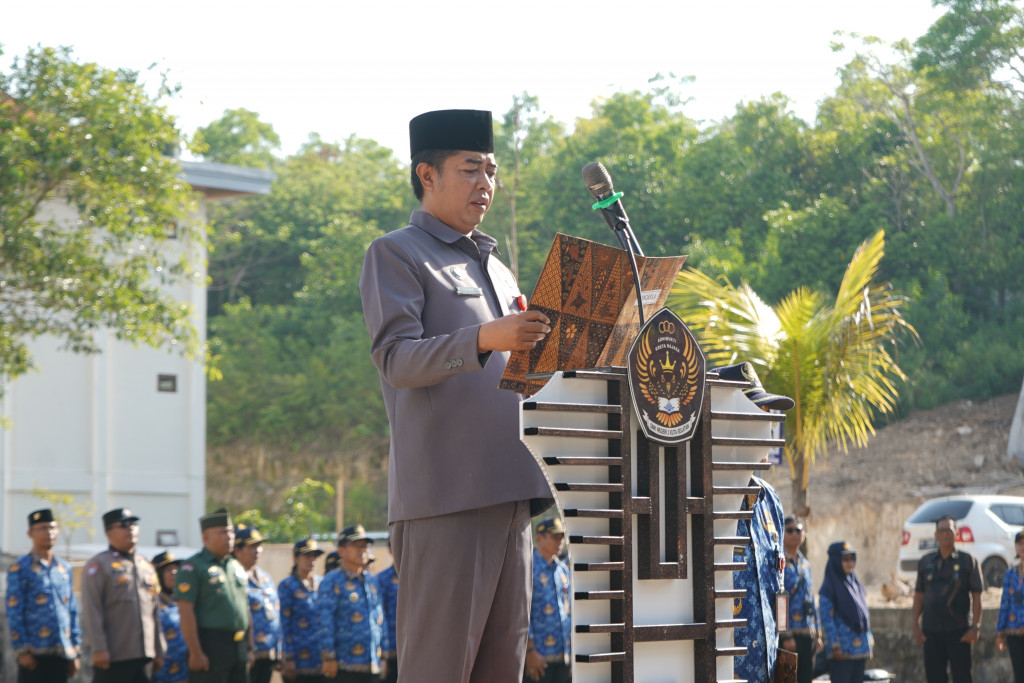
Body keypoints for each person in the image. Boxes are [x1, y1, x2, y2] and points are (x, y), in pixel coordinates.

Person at [358, 108, 553, 683]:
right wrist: (486, 337)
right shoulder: (397, 254)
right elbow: (396, 359)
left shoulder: (500, 270)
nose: (485, 185)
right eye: (471, 170)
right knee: (439, 669)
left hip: (512, 491)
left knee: (503, 670)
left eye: (491, 171)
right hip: (446, 498)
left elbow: (517, 375)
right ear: (427, 174)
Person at [81, 507, 164, 682]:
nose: (130, 528)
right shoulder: (99, 565)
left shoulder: (146, 566)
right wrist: (98, 648)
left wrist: (159, 649)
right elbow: (92, 609)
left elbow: (154, 611)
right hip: (114, 655)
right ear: (109, 532)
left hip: (144, 655)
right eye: (124, 525)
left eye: (134, 523)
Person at [5, 508, 81, 682]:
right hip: (34, 655)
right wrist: (22, 650)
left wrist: (76, 650)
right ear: (30, 533)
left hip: (62, 653)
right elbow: (14, 611)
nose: (49, 532)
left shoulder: (64, 568)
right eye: (43, 528)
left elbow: (71, 610)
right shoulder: (20, 568)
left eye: (52, 528)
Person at [175, 508, 250, 683]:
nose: (229, 537)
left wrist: (250, 646)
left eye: (231, 532)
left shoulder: (235, 566)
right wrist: (195, 652)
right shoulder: (193, 567)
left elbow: (244, 606)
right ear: (205, 537)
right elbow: (186, 612)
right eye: (222, 532)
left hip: (239, 644)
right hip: (211, 645)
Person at [913, 515, 984, 683]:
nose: (945, 534)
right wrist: (916, 626)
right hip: (931, 632)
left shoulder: (967, 561)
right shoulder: (926, 562)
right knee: (935, 678)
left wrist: (975, 627)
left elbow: (977, 596)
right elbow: (918, 596)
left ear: (956, 533)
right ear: (936, 535)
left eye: (949, 530)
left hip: (959, 632)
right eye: (941, 531)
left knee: (962, 677)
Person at [319, 524, 384, 682]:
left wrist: (384, 656)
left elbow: (380, 619)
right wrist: (328, 657)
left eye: (365, 546)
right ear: (341, 550)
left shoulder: (372, 581)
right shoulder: (332, 580)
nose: (362, 550)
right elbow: (325, 621)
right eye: (356, 546)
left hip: (372, 663)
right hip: (344, 666)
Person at [524, 517, 571, 683]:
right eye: (554, 536)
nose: (560, 541)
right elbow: (522, 613)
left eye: (562, 536)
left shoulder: (563, 570)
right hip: (538, 658)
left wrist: (573, 652)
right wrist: (529, 652)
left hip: (563, 658)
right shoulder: (528, 567)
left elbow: (570, 611)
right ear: (540, 537)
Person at [233, 525, 281, 683]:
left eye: (259, 546)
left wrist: (278, 649)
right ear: (237, 550)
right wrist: (247, 648)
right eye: (252, 547)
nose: (257, 551)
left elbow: (276, 613)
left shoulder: (265, 577)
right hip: (248, 653)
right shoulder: (233, 577)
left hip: (268, 653)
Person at [818, 542, 872, 683]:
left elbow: (863, 615)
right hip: (842, 652)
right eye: (845, 559)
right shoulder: (829, 587)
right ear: (836, 561)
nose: (850, 563)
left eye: (852, 558)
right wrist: (835, 645)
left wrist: (868, 638)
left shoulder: (855, 584)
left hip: (860, 651)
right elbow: (826, 618)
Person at [279, 538, 325, 682]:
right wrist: (288, 657)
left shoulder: (323, 583)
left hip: (321, 658)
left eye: (315, 556)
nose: (311, 560)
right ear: (295, 558)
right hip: (298, 658)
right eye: (307, 555)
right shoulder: (287, 585)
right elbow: (283, 623)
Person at [782, 516, 821, 683]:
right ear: (782, 533)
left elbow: (811, 599)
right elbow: (779, 599)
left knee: (806, 679)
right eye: (789, 530)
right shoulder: (779, 561)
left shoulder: (805, 564)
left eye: (798, 530)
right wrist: (785, 635)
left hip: (807, 633)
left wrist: (818, 634)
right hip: (791, 635)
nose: (794, 534)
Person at [151, 552, 188, 683]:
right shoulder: (152, 603)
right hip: (163, 671)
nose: (174, 573)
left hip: (186, 669)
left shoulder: (184, 600)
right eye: (168, 570)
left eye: (175, 569)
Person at [997, 530, 1024, 682]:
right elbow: (1005, 602)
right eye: (1020, 543)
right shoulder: (1010, 573)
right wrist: (999, 632)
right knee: (1019, 675)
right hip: (1014, 632)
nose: (1023, 547)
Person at [375, 543, 399, 683]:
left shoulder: (419, 577)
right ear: (390, 549)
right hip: (390, 650)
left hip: (416, 647)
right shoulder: (381, 579)